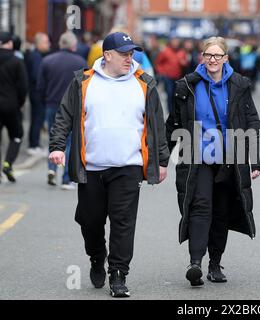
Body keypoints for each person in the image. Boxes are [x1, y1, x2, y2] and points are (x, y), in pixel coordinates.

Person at [48, 32, 170, 297]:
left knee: (123, 222)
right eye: (124, 53)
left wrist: (161, 161)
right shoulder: (83, 81)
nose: (130, 58)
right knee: (89, 221)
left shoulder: (144, 83)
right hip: (91, 166)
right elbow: (64, 116)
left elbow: (156, 126)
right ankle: (96, 256)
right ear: (107, 56)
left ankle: (118, 274)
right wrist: (57, 146)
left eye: (132, 53)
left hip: (128, 166)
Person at [165, 36, 260, 287]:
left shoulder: (239, 85)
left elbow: (251, 120)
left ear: (226, 59)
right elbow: (174, 123)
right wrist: (160, 159)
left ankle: (215, 264)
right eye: (208, 55)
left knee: (221, 212)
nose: (212, 59)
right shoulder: (187, 86)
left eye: (217, 55)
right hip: (197, 157)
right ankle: (195, 263)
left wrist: (257, 160)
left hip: (229, 158)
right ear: (202, 57)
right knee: (200, 207)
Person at [37, 31, 87, 189]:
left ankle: (51, 169)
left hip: (52, 104)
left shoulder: (47, 61)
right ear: (73, 45)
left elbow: (40, 86)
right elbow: (85, 87)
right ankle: (66, 178)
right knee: (71, 142)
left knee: (54, 137)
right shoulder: (80, 62)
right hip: (74, 107)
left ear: (60, 44)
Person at [0, 32, 28, 183]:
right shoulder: (17, 61)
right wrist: (21, 102)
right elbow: (23, 86)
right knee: (16, 135)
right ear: (10, 43)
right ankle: (7, 164)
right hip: (11, 105)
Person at [25, 32, 50, 156]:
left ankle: (35, 144)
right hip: (36, 92)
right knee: (37, 118)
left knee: (37, 118)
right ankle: (33, 145)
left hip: (35, 92)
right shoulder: (36, 57)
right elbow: (36, 75)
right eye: (46, 42)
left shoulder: (36, 55)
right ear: (39, 43)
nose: (48, 44)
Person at [155, 36, 188, 113]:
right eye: (174, 41)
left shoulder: (182, 52)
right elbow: (158, 63)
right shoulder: (165, 51)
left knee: (176, 94)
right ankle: (170, 111)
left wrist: (183, 63)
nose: (175, 43)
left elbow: (186, 64)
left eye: (177, 41)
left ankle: (176, 110)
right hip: (168, 77)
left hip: (178, 77)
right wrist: (162, 72)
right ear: (170, 42)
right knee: (169, 93)